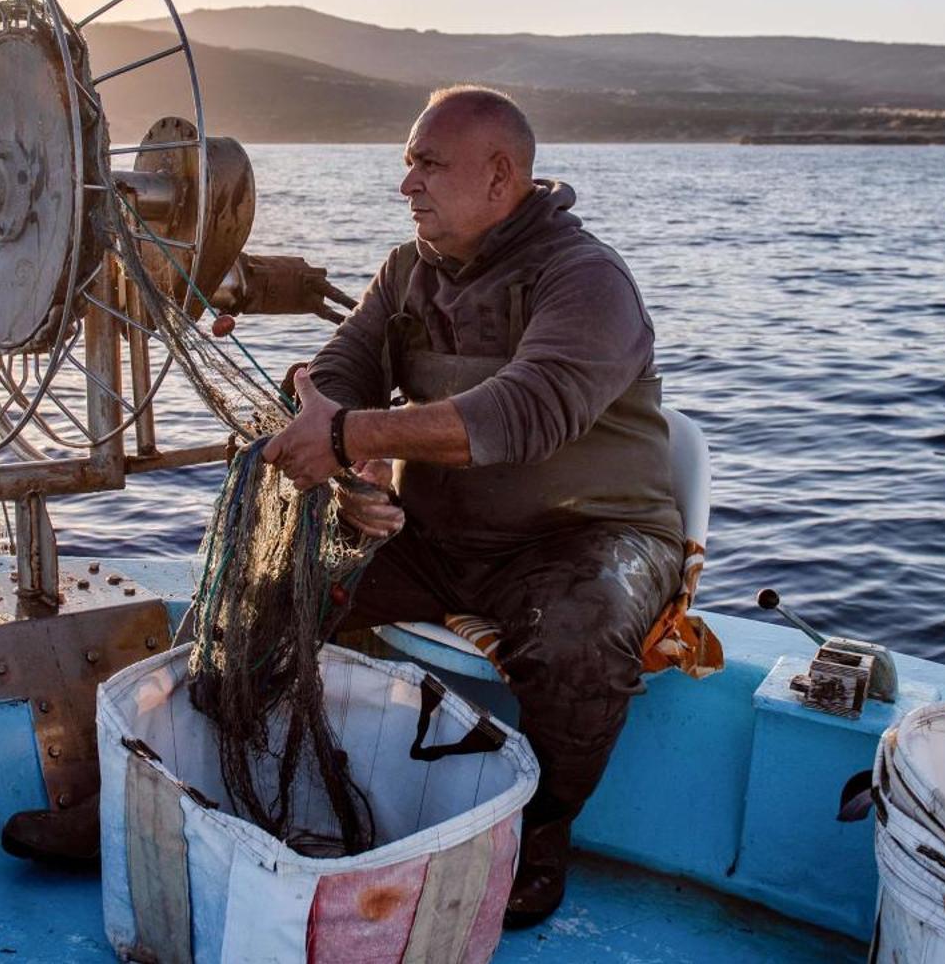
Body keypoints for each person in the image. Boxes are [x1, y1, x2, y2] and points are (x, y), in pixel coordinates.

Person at [264, 85, 682, 929]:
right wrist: (343, 454)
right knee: (276, 573)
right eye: (406, 162)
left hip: (587, 538)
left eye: (428, 164)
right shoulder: (404, 270)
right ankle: (221, 758)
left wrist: (349, 436)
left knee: (576, 636)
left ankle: (542, 833)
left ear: (500, 177)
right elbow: (342, 369)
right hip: (437, 536)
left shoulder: (587, 279)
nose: (407, 184)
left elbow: (528, 410)